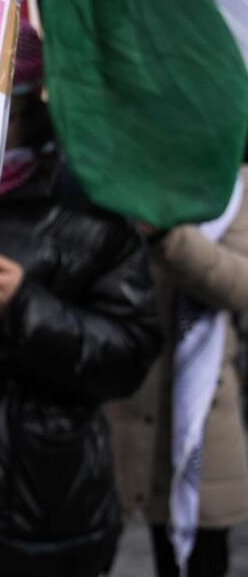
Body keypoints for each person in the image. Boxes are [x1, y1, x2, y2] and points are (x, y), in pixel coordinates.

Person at [0, 29, 162, 576]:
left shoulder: (94, 212)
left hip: (43, 510)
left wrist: (27, 309)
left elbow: (130, 354)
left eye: (0, 106)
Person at [110, 155, 248, 577]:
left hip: (202, 419)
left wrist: (167, 235)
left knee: (199, 558)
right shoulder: (114, 174)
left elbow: (239, 284)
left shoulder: (235, 187)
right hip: (119, 415)